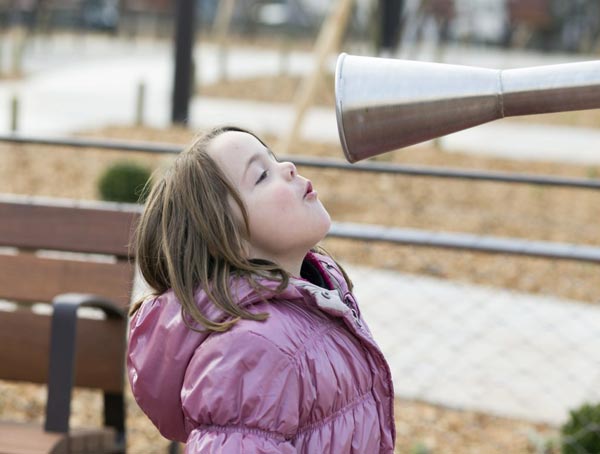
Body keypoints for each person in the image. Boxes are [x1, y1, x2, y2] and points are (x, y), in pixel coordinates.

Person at [127, 126, 396, 453]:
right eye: (262, 175)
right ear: (226, 240)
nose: (289, 167)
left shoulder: (319, 297)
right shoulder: (251, 351)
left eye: (274, 158)